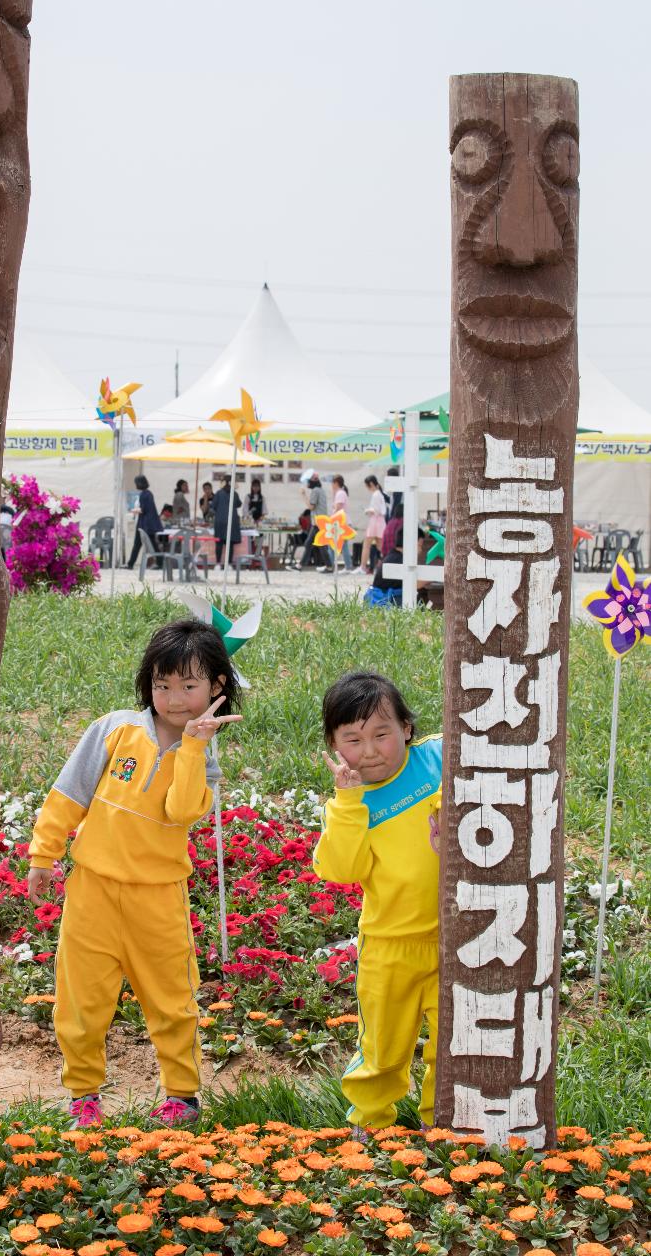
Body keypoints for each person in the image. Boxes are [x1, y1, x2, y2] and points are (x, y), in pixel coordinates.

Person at [27, 619, 242, 1130]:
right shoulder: (114, 729)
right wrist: (43, 854)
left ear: (216, 687)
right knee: (80, 1000)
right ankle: (83, 1096)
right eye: (162, 684)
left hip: (159, 899)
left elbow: (181, 810)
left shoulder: (204, 757)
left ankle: (182, 1097)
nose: (173, 698)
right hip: (92, 892)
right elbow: (69, 793)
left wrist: (192, 748)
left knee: (173, 1000)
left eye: (189, 686)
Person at [314, 671, 442, 1132]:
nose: (369, 751)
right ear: (335, 745)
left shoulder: (442, 757)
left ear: (407, 728)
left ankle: (441, 1127)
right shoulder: (351, 804)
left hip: (458, 937)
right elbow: (341, 870)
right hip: (389, 946)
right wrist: (347, 804)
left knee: (452, 1046)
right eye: (352, 739)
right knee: (383, 1048)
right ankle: (369, 1127)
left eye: (382, 734)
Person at [287, 471, 332, 572]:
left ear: (312, 481)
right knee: (309, 543)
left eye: (307, 481)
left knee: (319, 544)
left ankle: (329, 566)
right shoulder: (320, 490)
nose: (306, 484)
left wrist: (303, 495)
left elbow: (311, 506)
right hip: (320, 521)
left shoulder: (315, 491)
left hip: (318, 522)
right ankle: (300, 566)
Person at [126, 475, 163, 569]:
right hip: (148, 524)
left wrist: (133, 510)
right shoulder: (148, 493)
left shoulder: (144, 494)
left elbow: (143, 509)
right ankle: (160, 563)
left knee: (137, 545)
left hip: (144, 524)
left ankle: (130, 564)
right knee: (153, 545)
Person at [211, 476, 242, 567]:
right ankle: (228, 563)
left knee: (219, 543)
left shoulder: (218, 493)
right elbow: (239, 504)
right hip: (231, 522)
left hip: (220, 521)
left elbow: (213, 506)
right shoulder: (235, 494)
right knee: (230, 544)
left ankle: (218, 563)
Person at [362, 475, 387, 575]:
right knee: (380, 546)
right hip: (380, 521)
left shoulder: (376, 494)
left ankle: (363, 567)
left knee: (367, 544)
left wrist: (367, 511)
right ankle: (387, 564)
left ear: (371, 484)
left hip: (375, 521)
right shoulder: (380, 494)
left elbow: (376, 510)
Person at [331, 474, 354, 572]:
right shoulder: (341, 493)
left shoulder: (340, 493)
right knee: (343, 545)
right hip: (343, 522)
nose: (331, 485)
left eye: (332, 483)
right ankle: (347, 566)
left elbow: (338, 507)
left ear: (336, 483)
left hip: (342, 523)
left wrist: (331, 518)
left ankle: (331, 565)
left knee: (332, 545)